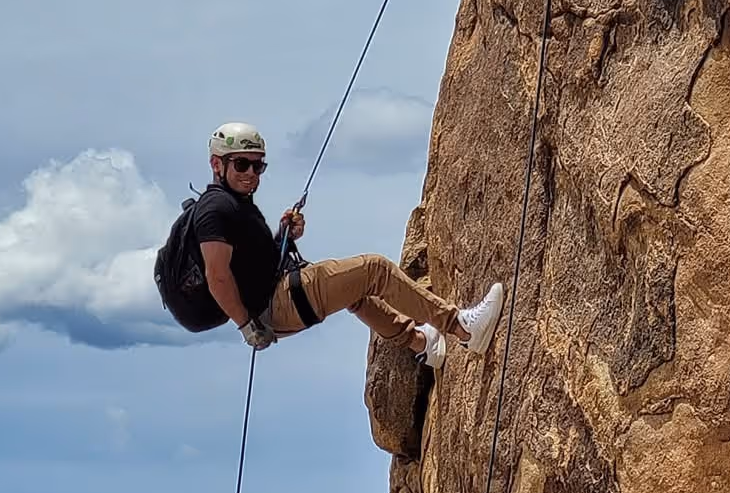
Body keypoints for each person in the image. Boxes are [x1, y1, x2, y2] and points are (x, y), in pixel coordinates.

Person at [192, 121, 504, 367]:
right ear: (217, 164)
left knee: (355, 292)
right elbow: (217, 276)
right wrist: (247, 327)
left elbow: (251, 265)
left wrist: (283, 236)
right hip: (277, 304)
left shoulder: (235, 204)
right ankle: (463, 328)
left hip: (275, 301)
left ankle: (424, 345)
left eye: (257, 166)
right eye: (241, 165)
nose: (251, 174)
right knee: (374, 270)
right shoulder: (216, 208)